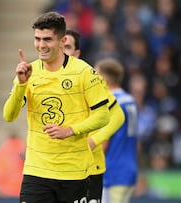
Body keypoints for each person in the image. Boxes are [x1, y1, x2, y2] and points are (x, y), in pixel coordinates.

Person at [3, 11, 111, 203]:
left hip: (74, 172)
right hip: (36, 171)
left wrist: (70, 130)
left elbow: (103, 115)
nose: (41, 45)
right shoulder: (29, 72)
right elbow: (9, 116)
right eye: (37, 39)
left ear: (62, 41)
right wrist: (21, 84)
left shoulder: (84, 72)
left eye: (47, 39)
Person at [64, 29, 125, 202]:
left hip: (90, 166)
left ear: (77, 53)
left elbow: (118, 115)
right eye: (60, 45)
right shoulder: (45, 78)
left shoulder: (90, 78)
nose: (62, 51)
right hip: (58, 166)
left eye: (67, 47)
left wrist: (94, 140)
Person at [95, 58, 139, 203]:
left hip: (113, 170)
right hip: (129, 168)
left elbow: (104, 142)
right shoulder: (129, 100)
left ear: (103, 78)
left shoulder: (111, 103)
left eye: (96, 75)